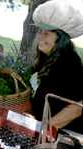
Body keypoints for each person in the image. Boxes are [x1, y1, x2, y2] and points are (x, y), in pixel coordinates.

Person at [29, 0, 83, 134]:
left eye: (47, 33)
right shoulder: (47, 56)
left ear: (60, 39)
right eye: (40, 31)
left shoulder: (70, 63)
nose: (40, 36)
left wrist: (43, 129)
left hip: (64, 133)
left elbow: (77, 107)